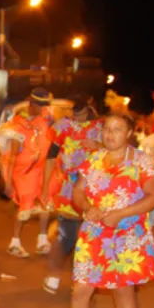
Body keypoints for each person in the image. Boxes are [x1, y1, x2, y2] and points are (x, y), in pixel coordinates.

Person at [56, 114, 154, 308]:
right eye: (107, 129)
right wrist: (86, 208)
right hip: (94, 233)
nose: (110, 134)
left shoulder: (142, 162)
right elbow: (78, 191)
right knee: (80, 290)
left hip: (126, 237)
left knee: (123, 292)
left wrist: (121, 214)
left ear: (129, 133)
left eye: (118, 129)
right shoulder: (93, 160)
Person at [43, 97, 102, 294]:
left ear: (89, 107)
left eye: (80, 113)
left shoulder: (101, 128)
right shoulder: (63, 127)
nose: (76, 118)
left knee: (88, 238)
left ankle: (82, 279)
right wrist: (45, 188)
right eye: (73, 113)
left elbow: (117, 153)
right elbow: (50, 157)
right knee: (66, 235)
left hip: (94, 190)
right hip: (68, 189)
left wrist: (98, 145)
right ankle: (54, 275)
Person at [0, 88, 55, 257]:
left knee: (46, 201)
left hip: (42, 169)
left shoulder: (45, 122)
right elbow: (13, 155)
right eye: (42, 105)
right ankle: (14, 242)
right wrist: (7, 182)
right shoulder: (18, 125)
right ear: (33, 105)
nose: (45, 108)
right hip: (24, 172)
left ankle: (42, 240)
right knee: (26, 206)